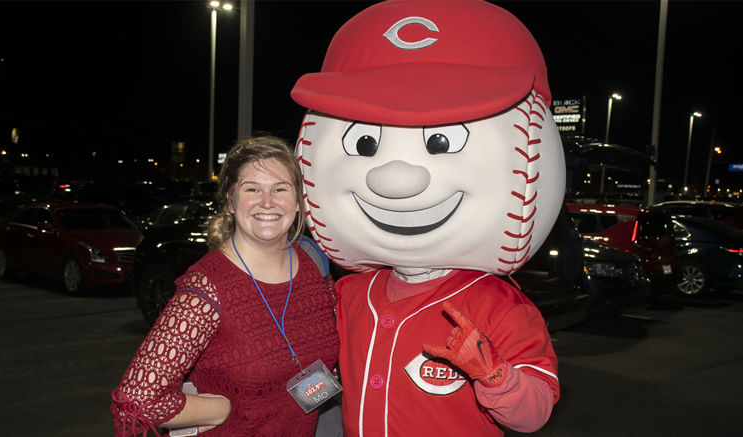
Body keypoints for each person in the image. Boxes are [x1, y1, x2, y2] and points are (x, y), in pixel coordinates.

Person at [290, 1, 564, 436]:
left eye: (440, 140)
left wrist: (494, 375)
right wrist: (270, 402)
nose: (395, 180)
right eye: (366, 143)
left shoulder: (500, 305)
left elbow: (533, 415)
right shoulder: (349, 294)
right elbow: (325, 376)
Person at [111, 136, 340, 437]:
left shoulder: (314, 266)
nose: (267, 202)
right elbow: (137, 400)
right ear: (231, 202)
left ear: (298, 202)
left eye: (280, 189)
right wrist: (219, 409)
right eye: (252, 189)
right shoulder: (206, 287)